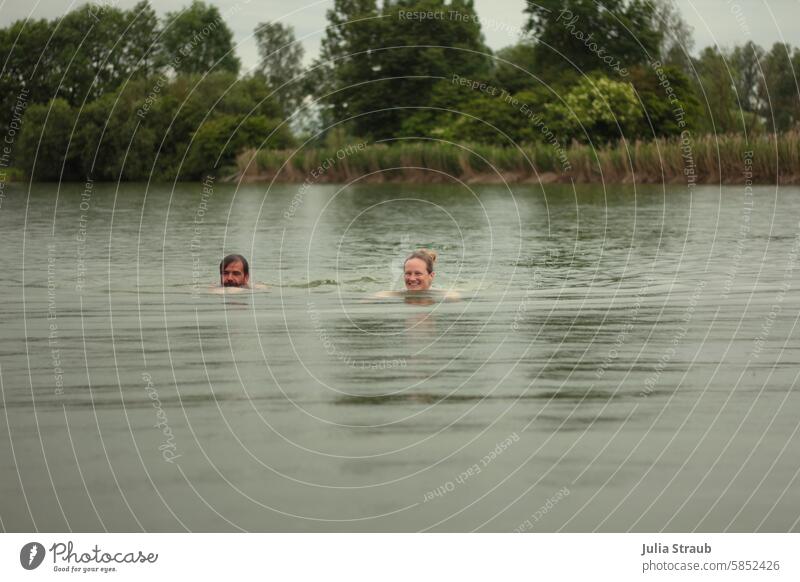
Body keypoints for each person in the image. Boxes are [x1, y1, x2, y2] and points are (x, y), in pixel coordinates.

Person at [374, 248, 459, 301]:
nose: (412, 278)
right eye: (408, 273)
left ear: (431, 276)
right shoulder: (399, 293)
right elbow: (381, 294)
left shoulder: (441, 294)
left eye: (418, 273)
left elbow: (454, 295)